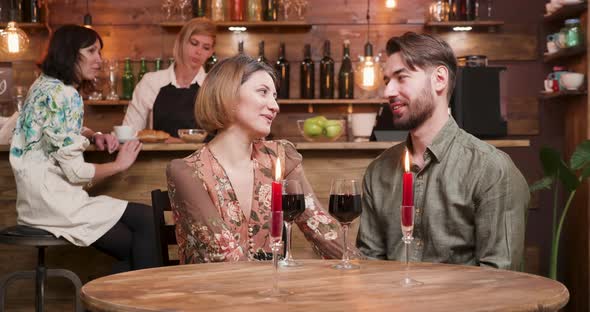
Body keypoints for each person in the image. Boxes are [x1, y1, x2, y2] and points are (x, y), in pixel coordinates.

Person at [356, 32, 529, 270]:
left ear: (439, 79)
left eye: (401, 77)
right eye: (387, 81)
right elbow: (369, 267)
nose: (388, 92)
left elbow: (499, 279)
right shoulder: (378, 170)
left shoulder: (492, 169)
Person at [166, 55, 348, 263]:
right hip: (215, 292)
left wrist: (366, 272)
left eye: (275, 96)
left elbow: (325, 234)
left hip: (274, 290)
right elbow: (223, 257)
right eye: (263, 92)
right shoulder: (186, 172)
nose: (275, 106)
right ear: (229, 96)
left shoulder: (280, 157)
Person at [9, 25, 160, 272]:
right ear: (69, 53)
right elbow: (76, 172)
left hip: (35, 202)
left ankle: (118, 304)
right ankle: (138, 305)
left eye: (99, 52)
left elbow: (54, 128)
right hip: (56, 205)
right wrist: (119, 165)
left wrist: (93, 134)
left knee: (139, 241)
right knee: (147, 225)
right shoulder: (66, 95)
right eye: (91, 51)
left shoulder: (43, 86)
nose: (99, 60)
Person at [123, 18, 216, 141]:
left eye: (206, 47)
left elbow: (223, 140)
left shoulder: (214, 87)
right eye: (194, 43)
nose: (198, 51)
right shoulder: (151, 82)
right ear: (180, 42)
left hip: (201, 160)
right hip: (158, 159)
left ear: (211, 52)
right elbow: (129, 133)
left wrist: (178, 143)